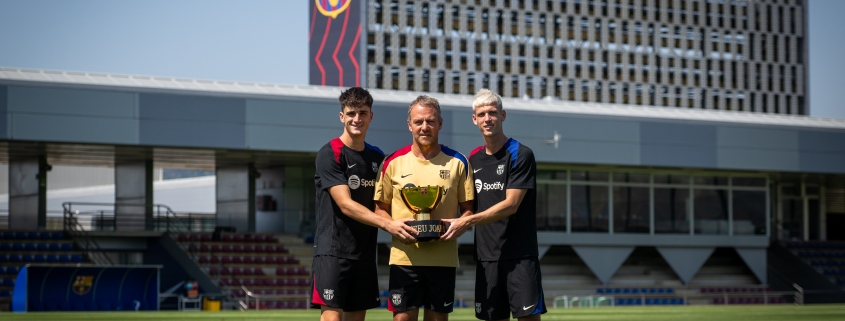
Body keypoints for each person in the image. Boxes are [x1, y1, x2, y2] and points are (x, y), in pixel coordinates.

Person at [312, 87, 418, 321]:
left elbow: (388, 200)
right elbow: (345, 204)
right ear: (342, 116)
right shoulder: (330, 153)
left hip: (365, 252)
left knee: (356, 318)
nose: (356, 119)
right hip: (333, 252)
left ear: (371, 116)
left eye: (362, 113)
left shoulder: (377, 157)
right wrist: (389, 225)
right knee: (332, 316)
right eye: (351, 113)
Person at [441, 89, 547, 321]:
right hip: (486, 257)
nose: (487, 119)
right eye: (482, 114)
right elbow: (466, 202)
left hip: (520, 256)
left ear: (503, 115)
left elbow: (511, 205)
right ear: (474, 119)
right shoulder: (474, 158)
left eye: (492, 113)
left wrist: (467, 221)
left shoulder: (521, 154)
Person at [374, 95, 475, 321]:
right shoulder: (392, 162)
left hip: (443, 259)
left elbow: (468, 210)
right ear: (409, 125)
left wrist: (461, 224)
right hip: (404, 259)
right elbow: (380, 209)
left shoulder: (458, 162)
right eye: (418, 121)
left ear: (440, 123)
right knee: (402, 319)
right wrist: (392, 226)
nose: (424, 127)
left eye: (430, 121)